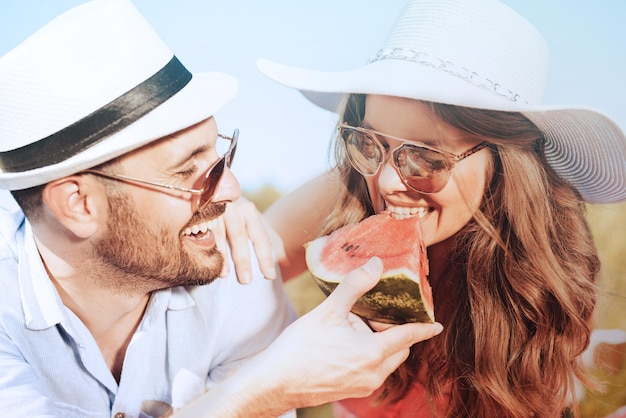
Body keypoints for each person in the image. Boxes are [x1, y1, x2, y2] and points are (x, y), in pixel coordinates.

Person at [0, 1, 444, 417]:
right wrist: (260, 391)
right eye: (187, 171)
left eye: (218, 159)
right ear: (77, 205)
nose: (231, 192)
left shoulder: (235, 276)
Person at [257, 0, 626, 416]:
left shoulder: (548, 274)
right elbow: (246, 270)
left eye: (427, 157)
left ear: (506, 163)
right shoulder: (352, 187)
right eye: (370, 142)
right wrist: (233, 221)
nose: (389, 182)